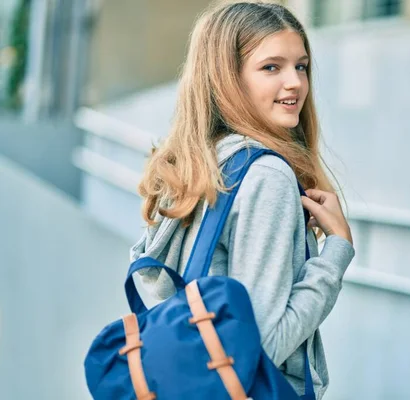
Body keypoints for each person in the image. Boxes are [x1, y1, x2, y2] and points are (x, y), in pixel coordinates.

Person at [130, 1, 355, 398]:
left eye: (301, 66)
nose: (296, 83)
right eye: (272, 67)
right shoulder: (266, 175)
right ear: (226, 79)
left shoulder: (196, 164)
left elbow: (157, 289)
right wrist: (336, 251)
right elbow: (261, 348)